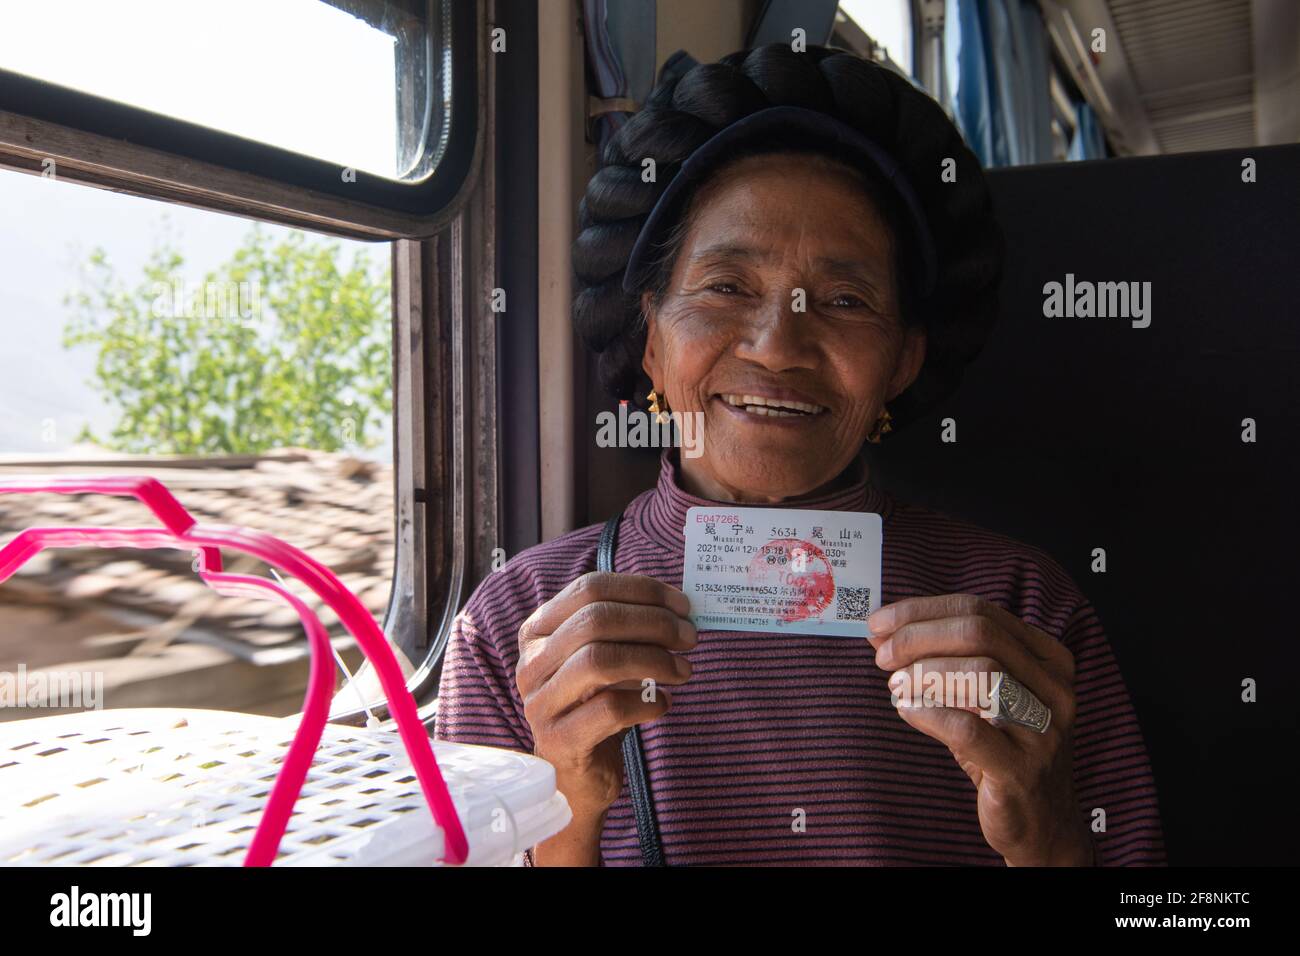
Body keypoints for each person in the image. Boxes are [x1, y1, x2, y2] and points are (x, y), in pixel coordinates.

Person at [435, 43, 1165, 866]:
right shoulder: (516, 626)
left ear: (903, 361)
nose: (779, 346)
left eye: (846, 300)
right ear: (650, 339)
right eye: (726, 287)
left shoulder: (1024, 610)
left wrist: (1052, 834)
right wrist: (565, 812)